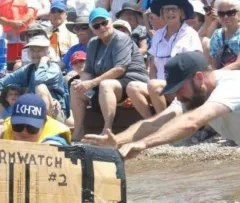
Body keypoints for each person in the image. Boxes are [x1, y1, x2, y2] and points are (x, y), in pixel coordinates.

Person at [92, 52, 240, 158]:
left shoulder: (231, 86)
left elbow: (192, 121)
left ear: (199, 78)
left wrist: (143, 144)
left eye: (180, 89)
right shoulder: (190, 95)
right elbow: (154, 124)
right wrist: (116, 141)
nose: (178, 97)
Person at [70, 8, 149, 140]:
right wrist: (82, 81)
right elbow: (88, 71)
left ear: (111, 21)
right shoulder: (93, 43)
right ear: (92, 29)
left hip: (132, 78)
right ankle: (78, 131)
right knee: (75, 89)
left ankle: (107, 130)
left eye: (104, 22)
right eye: (96, 25)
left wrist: (92, 82)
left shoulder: (120, 38)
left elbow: (120, 69)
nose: (101, 27)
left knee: (106, 85)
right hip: (108, 82)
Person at [127, 0, 202, 118]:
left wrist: (154, 85)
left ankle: (162, 124)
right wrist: (151, 85)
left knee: (154, 85)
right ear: (161, 14)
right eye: (166, 9)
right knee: (132, 87)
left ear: (181, 13)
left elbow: (197, 65)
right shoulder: (157, 35)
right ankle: (152, 122)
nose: (170, 12)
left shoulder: (190, 34)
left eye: (174, 9)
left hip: (182, 86)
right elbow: (153, 67)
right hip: (159, 87)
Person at [0, 35, 68, 123]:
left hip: (55, 113)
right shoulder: (28, 69)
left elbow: (38, 79)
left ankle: (43, 126)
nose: (35, 53)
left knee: (40, 87)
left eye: (40, 50)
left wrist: (43, 62)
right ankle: (10, 121)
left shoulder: (54, 68)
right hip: (31, 111)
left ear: (48, 51)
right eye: (32, 50)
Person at [0, 94, 71, 145]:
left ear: (44, 124)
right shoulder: (6, 128)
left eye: (32, 127)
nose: (24, 131)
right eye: (18, 126)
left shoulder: (54, 136)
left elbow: (57, 148)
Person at [208, 0, 240, 69]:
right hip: (223, 76)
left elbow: (238, 64)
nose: (225, 17)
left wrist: (217, 74)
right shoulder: (217, 35)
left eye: (230, 13)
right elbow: (214, 64)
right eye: (221, 13)